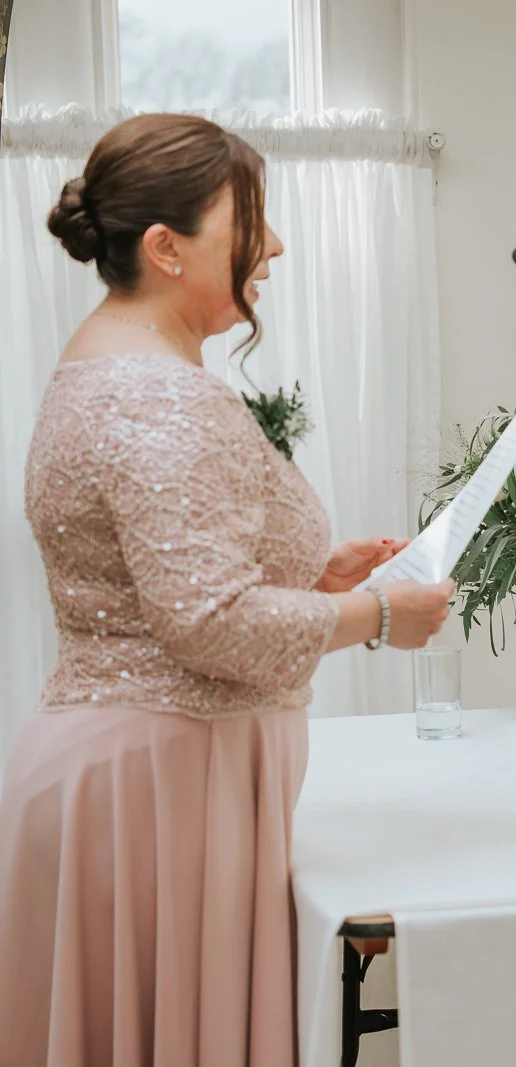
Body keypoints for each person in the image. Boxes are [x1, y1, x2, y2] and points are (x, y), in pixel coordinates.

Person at [0, 114, 455, 1067]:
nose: (275, 245)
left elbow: (146, 580)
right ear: (165, 248)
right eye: (249, 221)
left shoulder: (97, 365)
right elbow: (208, 622)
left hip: (121, 778)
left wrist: (314, 577)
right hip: (165, 791)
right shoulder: (165, 393)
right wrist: (379, 614)